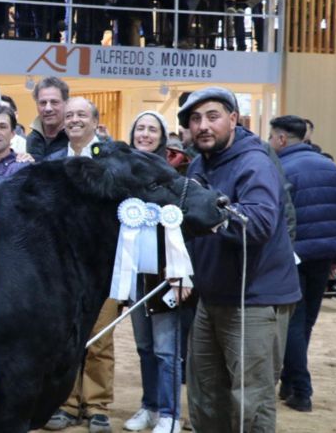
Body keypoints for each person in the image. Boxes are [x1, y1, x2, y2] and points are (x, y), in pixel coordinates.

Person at [177, 86, 300, 432]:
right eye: (195, 119)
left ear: (233, 119)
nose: (203, 125)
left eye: (212, 117)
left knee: (251, 403)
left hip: (255, 300)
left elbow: (257, 223)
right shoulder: (199, 164)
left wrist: (206, 212)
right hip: (211, 297)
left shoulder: (254, 161)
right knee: (204, 397)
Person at [43, 97, 118, 433]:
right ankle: (67, 403)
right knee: (65, 338)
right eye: (69, 114)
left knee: (99, 339)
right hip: (63, 268)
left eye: (81, 115)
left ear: (95, 121)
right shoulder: (54, 161)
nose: (74, 120)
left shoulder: (113, 160)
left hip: (102, 267)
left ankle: (98, 406)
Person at [268, 116, 336, 413]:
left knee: (292, 322)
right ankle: (289, 383)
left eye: (271, 137)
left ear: (281, 139)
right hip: (325, 253)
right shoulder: (329, 166)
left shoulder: (281, 168)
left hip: (294, 254)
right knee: (306, 321)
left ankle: (301, 390)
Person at [122, 111, 193, 433]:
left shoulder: (173, 175)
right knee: (144, 346)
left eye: (152, 130)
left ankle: (171, 414)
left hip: (166, 275)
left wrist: (181, 275)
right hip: (135, 271)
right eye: (140, 128)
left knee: (167, 349)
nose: (145, 134)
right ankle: (149, 407)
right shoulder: (122, 173)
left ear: (162, 136)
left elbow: (183, 231)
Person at [26, 76, 69, 161]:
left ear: (66, 103)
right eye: (43, 103)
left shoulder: (74, 137)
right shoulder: (31, 139)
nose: (48, 108)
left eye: (54, 102)